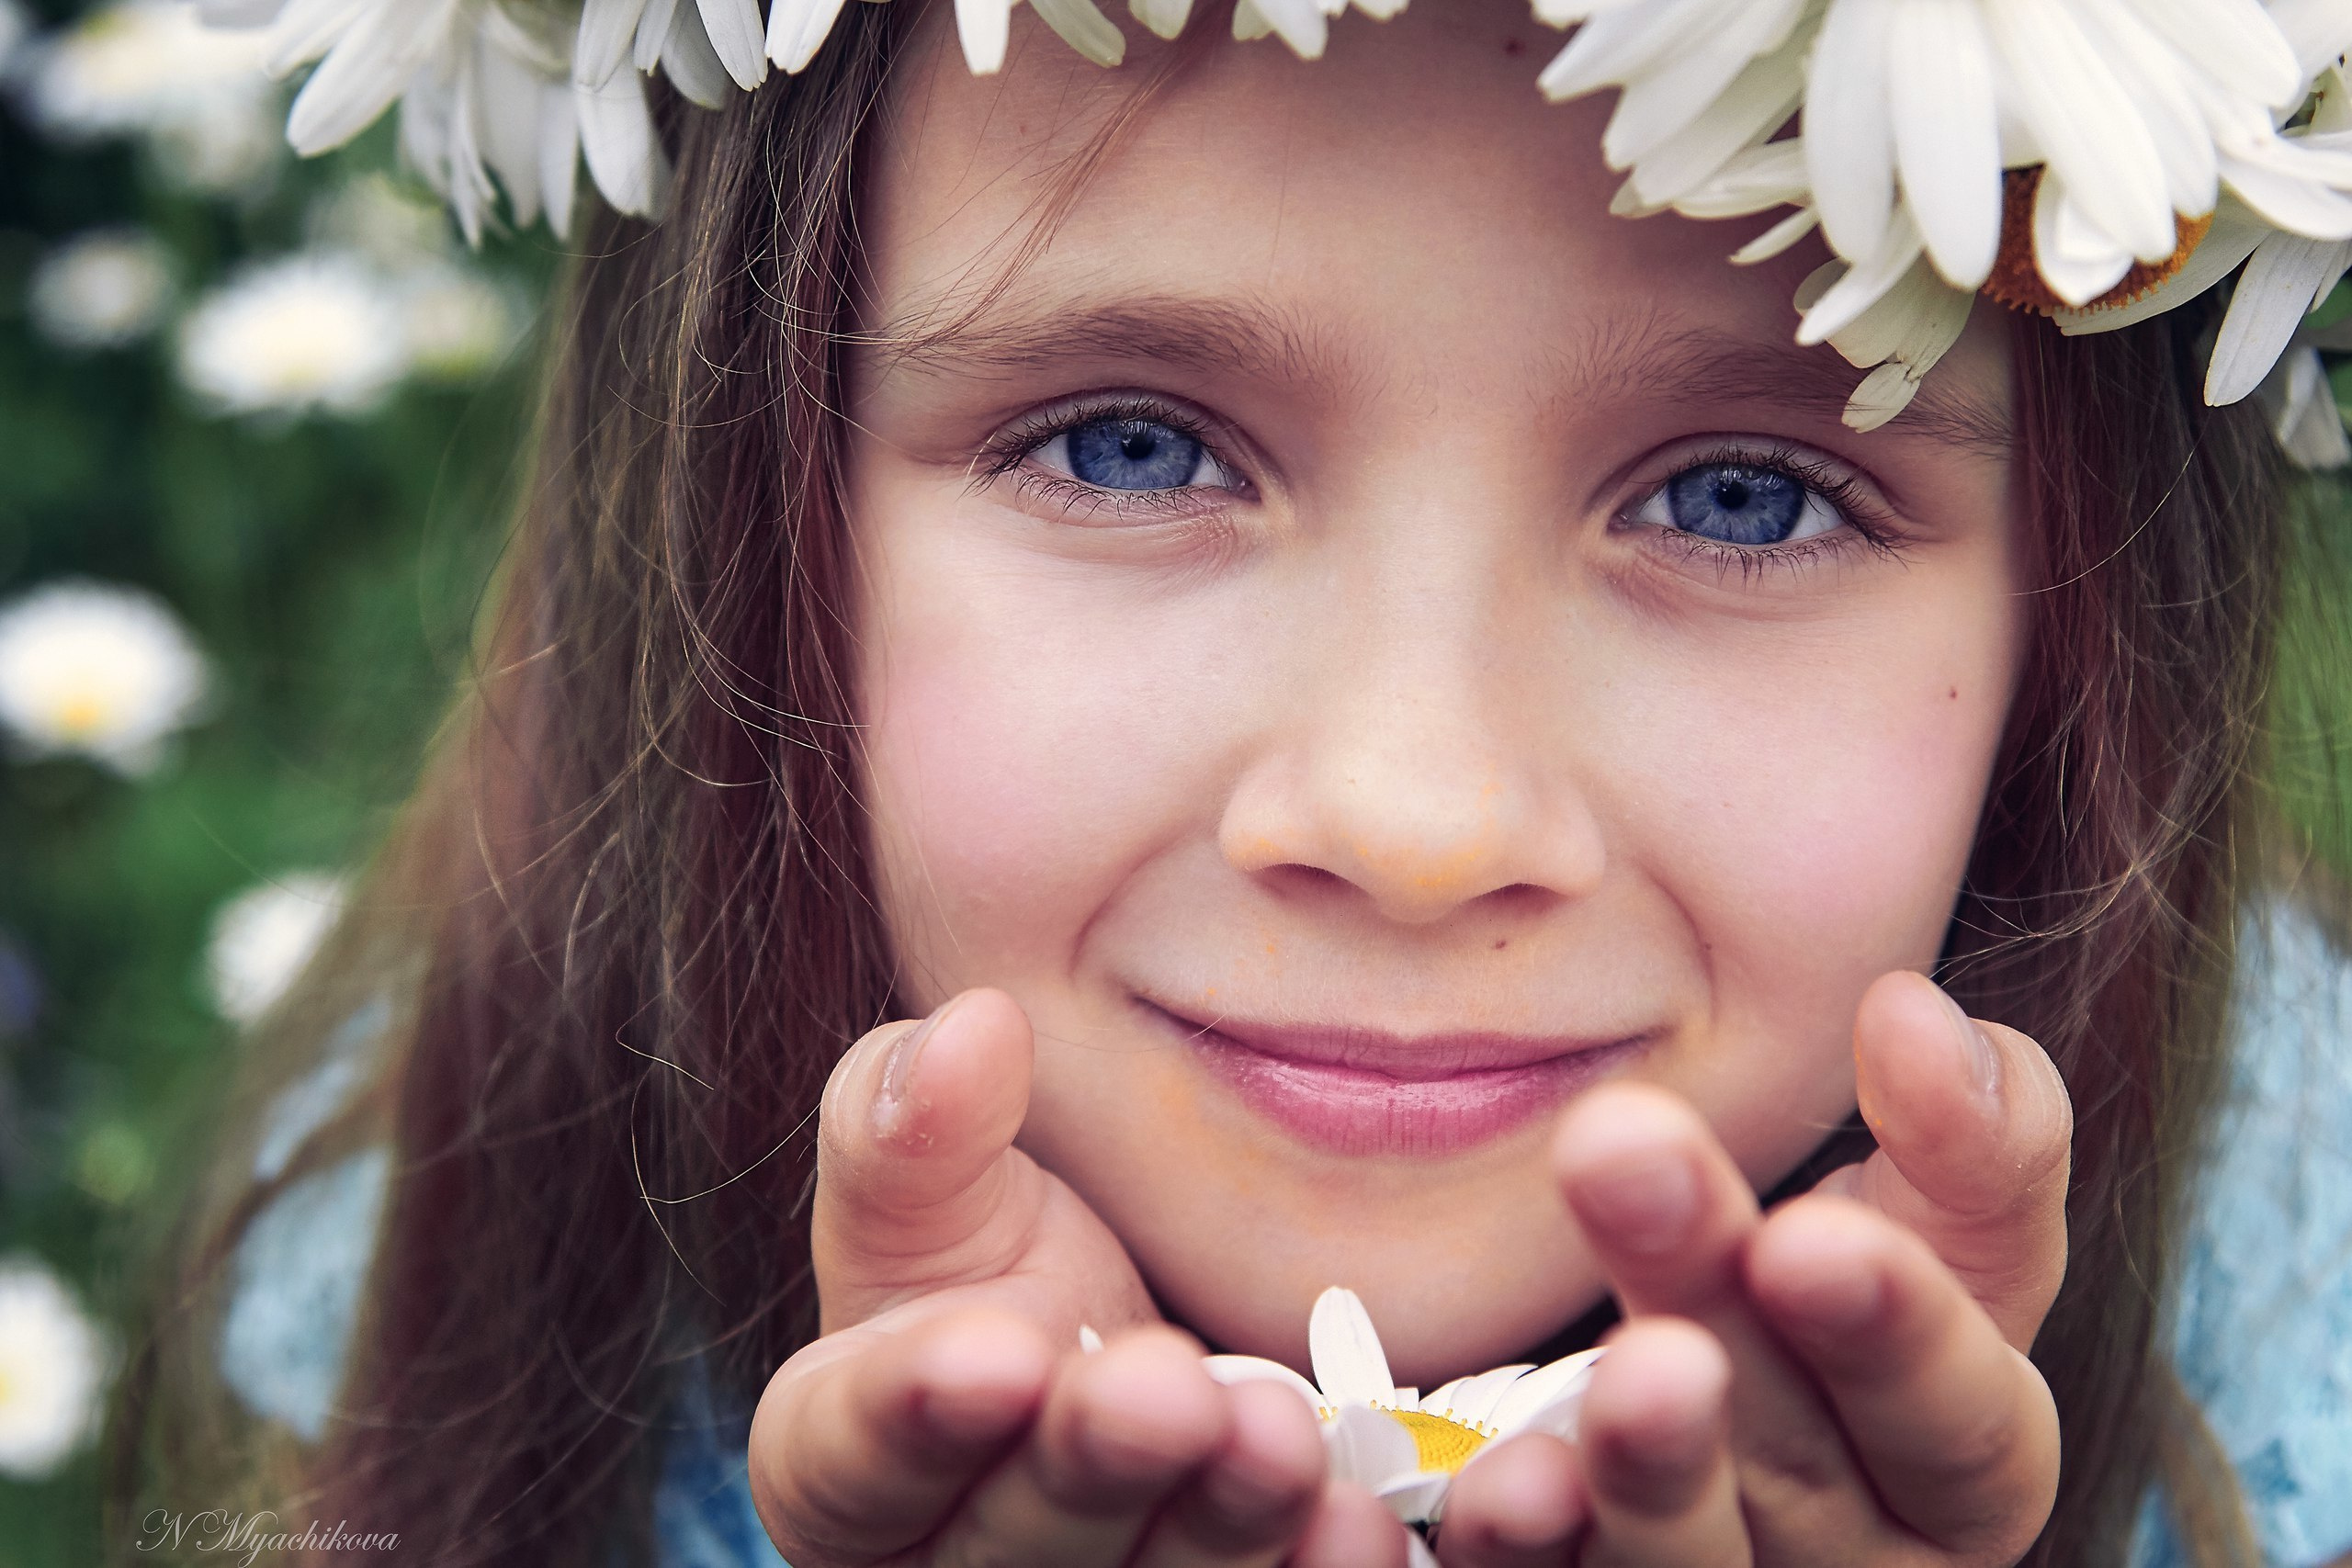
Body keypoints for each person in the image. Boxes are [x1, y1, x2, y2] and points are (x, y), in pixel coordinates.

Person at [119, 1, 2352, 1565]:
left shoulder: (2293, 1389)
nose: (1413, 813)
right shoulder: (467, 1296)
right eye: (1129, 445)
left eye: (1748, 500)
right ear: (729, 496)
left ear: (2084, 620)